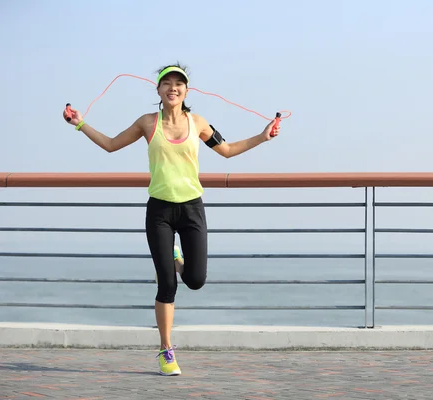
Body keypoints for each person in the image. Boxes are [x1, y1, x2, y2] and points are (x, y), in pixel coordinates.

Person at [62, 63, 281, 376]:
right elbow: (111, 145)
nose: (173, 87)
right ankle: (166, 351)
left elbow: (228, 150)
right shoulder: (147, 123)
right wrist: (79, 123)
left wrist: (262, 137)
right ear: (159, 91)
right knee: (167, 285)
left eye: (179, 83)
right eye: (167, 83)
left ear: (187, 91)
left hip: (192, 209)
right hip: (160, 212)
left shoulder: (198, 122)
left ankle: (177, 260)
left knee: (195, 280)